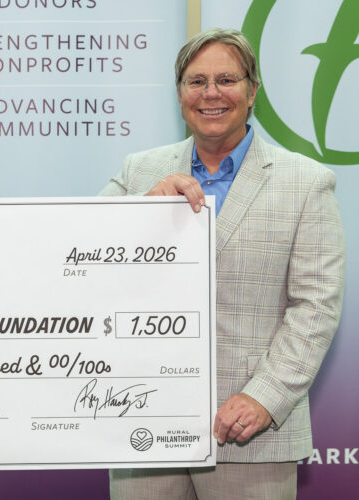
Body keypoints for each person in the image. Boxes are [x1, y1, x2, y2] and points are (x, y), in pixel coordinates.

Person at [101, 28, 345, 499]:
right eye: (196, 81)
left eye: (226, 79)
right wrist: (141, 212)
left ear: (252, 91)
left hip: (252, 433)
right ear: (179, 95)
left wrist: (264, 397)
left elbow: (315, 306)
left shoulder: (307, 182)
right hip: (144, 422)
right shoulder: (139, 172)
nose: (211, 93)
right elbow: (79, 259)